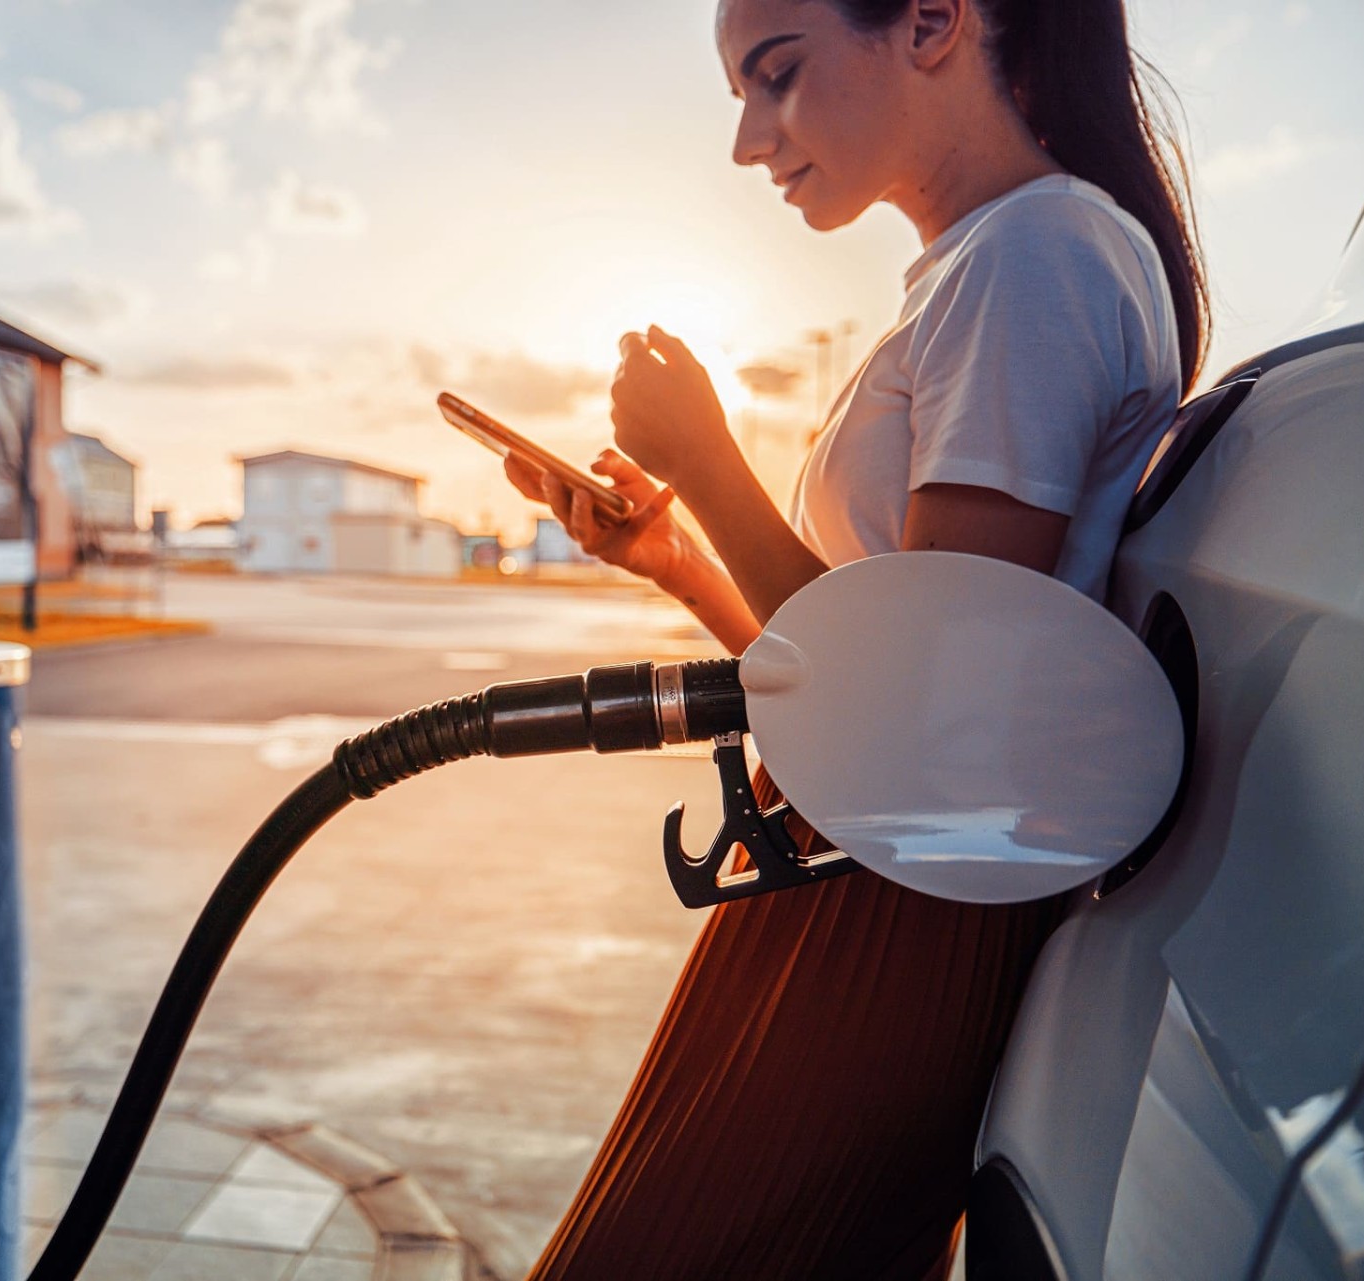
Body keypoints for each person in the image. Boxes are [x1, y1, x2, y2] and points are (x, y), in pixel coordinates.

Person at [501, 0, 1207, 1277]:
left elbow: (915, 691)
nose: (747, 142)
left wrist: (711, 459)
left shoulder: (1037, 254)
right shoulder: (992, 261)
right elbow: (845, 664)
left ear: (933, 21)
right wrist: (680, 558)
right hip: (855, 849)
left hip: (895, 891)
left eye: (776, 75)